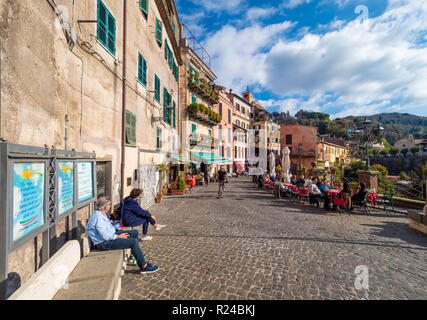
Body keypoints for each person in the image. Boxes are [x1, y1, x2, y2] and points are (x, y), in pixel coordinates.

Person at [86, 197, 159, 274]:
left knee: (134, 232)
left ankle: (134, 255)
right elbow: (104, 235)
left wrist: (120, 228)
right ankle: (144, 266)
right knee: (133, 242)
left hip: (111, 236)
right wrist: (118, 236)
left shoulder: (101, 214)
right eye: (109, 205)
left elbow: (110, 225)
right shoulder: (98, 218)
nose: (110, 206)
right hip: (104, 243)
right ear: (105, 207)